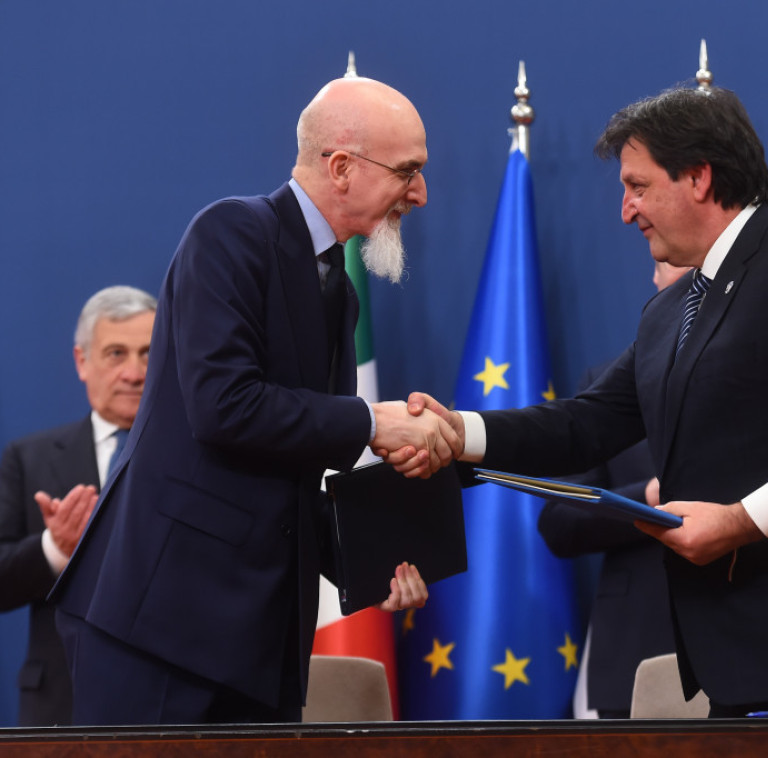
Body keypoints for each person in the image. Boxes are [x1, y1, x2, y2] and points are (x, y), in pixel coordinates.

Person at [401, 85, 768, 758]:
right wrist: (462, 434)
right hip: (738, 657)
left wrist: (742, 521)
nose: (625, 210)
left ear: (699, 177)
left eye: (638, 186)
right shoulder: (671, 309)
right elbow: (588, 424)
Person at [49, 76, 462, 726]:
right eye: (408, 171)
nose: (421, 193)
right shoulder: (231, 233)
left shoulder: (338, 291)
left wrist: (372, 564)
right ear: (342, 167)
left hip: (260, 644)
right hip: (162, 629)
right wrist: (371, 422)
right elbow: (225, 406)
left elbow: (290, 473)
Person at [537, 261, 690, 719]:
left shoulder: (763, 380)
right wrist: (648, 499)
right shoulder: (611, 387)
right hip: (636, 657)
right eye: (668, 263)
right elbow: (560, 521)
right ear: (656, 280)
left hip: (753, 651)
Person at [0, 285, 156, 726]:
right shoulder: (28, 458)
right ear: (82, 361)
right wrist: (55, 550)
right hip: (62, 706)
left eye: (148, 354)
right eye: (115, 354)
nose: (134, 373)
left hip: (173, 707)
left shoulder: (201, 458)